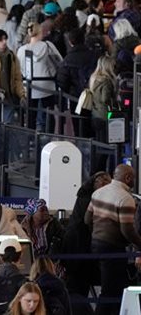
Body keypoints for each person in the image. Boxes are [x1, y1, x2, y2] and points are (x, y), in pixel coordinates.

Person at [85, 164, 141, 315]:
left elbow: (87, 219)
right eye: (133, 177)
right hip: (113, 248)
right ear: (127, 177)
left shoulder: (98, 193)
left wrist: (97, 232)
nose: (134, 181)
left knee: (111, 287)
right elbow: (127, 230)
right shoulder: (125, 198)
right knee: (111, 291)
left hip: (95, 245)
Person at [61, 172, 111, 300]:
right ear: (96, 183)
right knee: (78, 280)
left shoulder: (84, 195)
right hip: (79, 244)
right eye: (104, 183)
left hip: (77, 243)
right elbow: (89, 221)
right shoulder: (89, 199)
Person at [17, 23, 62, 131]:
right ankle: (49, 134)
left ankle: (30, 136)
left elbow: (19, 67)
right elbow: (60, 61)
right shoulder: (48, 46)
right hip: (47, 84)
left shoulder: (22, 50)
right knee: (49, 112)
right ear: (40, 32)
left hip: (29, 85)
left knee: (30, 113)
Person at [88, 56, 118, 144]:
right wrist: (115, 103)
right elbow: (105, 99)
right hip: (106, 115)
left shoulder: (94, 78)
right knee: (106, 144)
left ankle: (95, 158)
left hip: (95, 114)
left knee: (99, 143)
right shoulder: (106, 81)